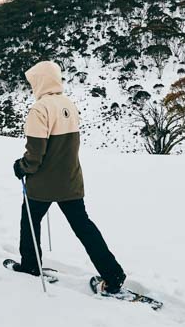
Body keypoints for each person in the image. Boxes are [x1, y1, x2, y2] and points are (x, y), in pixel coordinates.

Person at [10, 60, 127, 293]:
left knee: (30, 222)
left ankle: (31, 265)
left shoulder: (39, 109)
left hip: (42, 186)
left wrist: (21, 167)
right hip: (71, 181)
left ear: (40, 81)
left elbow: (35, 155)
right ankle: (113, 275)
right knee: (84, 227)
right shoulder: (69, 105)